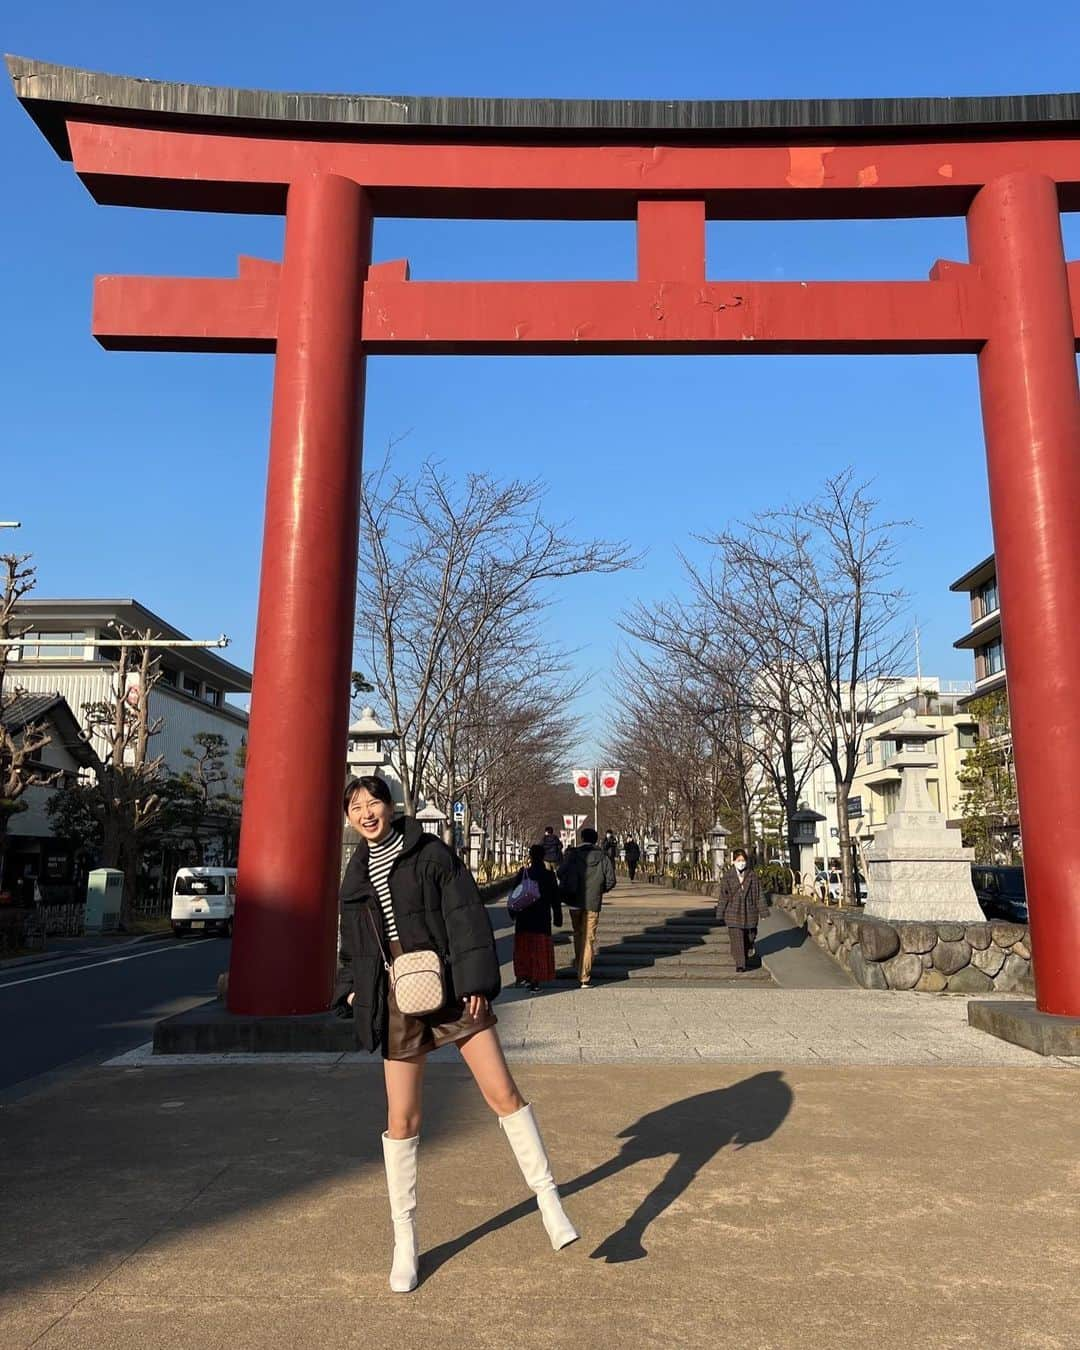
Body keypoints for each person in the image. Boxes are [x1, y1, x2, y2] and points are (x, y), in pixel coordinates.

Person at [334, 775, 578, 1293]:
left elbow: (466, 917)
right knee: (401, 1119)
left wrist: (475, 983)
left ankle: (548, 1200)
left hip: (447, 985)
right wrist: (353, 991)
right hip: (398, 993)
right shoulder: (353, 876)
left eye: (374, 802)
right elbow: (351, 944)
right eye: (356, 807)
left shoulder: (431, 853)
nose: (367, 813)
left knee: (502, 1093)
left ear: (391, 805)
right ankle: (405, 1242)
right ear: (350, 818)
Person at [557, 826, 616, 987]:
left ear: (582, 838)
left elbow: (560, 872)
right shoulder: (603, 857)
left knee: (577, 934)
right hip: (593, 903)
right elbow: (611, 880)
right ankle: (584, 976)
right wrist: (599, 890)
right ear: (596, 840)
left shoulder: (572, 855)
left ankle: (579, 965)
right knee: (589, 939)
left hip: (574, 901)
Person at [513, 843, 563, 991]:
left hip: (524, 918)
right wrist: (558, 916)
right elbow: (555, 897)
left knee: (524, 949)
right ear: (543, 857)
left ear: (530, 856)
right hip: (542, 917)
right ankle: (535, 980)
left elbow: (514, 896)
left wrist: (513, 914)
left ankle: (524, 976)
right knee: (539, 949)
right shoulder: (548, 875)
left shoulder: (523, 873)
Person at [717, 848, 768, 973]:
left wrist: (763, 911)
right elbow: (723, 896)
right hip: (733, 911)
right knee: (737, 937)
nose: (741, 862)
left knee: (750, 936)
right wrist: (720, 913)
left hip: (749, 910)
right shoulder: (728, 876)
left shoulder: (752, 876)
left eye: (743, 860)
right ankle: (740, 964)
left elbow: (758, 894)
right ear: (733, 861)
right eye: (739, 860)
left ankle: (747, 949)